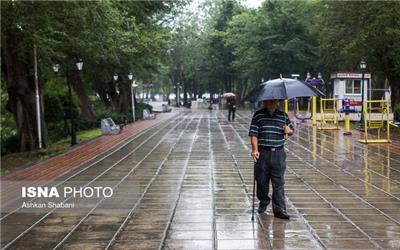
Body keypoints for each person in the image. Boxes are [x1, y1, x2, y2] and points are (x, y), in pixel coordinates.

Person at [248, 99, 294, 219]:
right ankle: (263, 201)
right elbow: (253, 133)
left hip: (278, 153)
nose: (271, 103)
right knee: (261, 181)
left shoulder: (283, 116)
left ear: (277, 102)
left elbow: (291, 130)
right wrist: (254, 149)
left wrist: (289, 131)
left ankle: (279, 209)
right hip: (263, 153)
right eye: (269, 101)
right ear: (265, 102)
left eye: (274, 101)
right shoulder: (258, 115)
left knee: (279, 183)